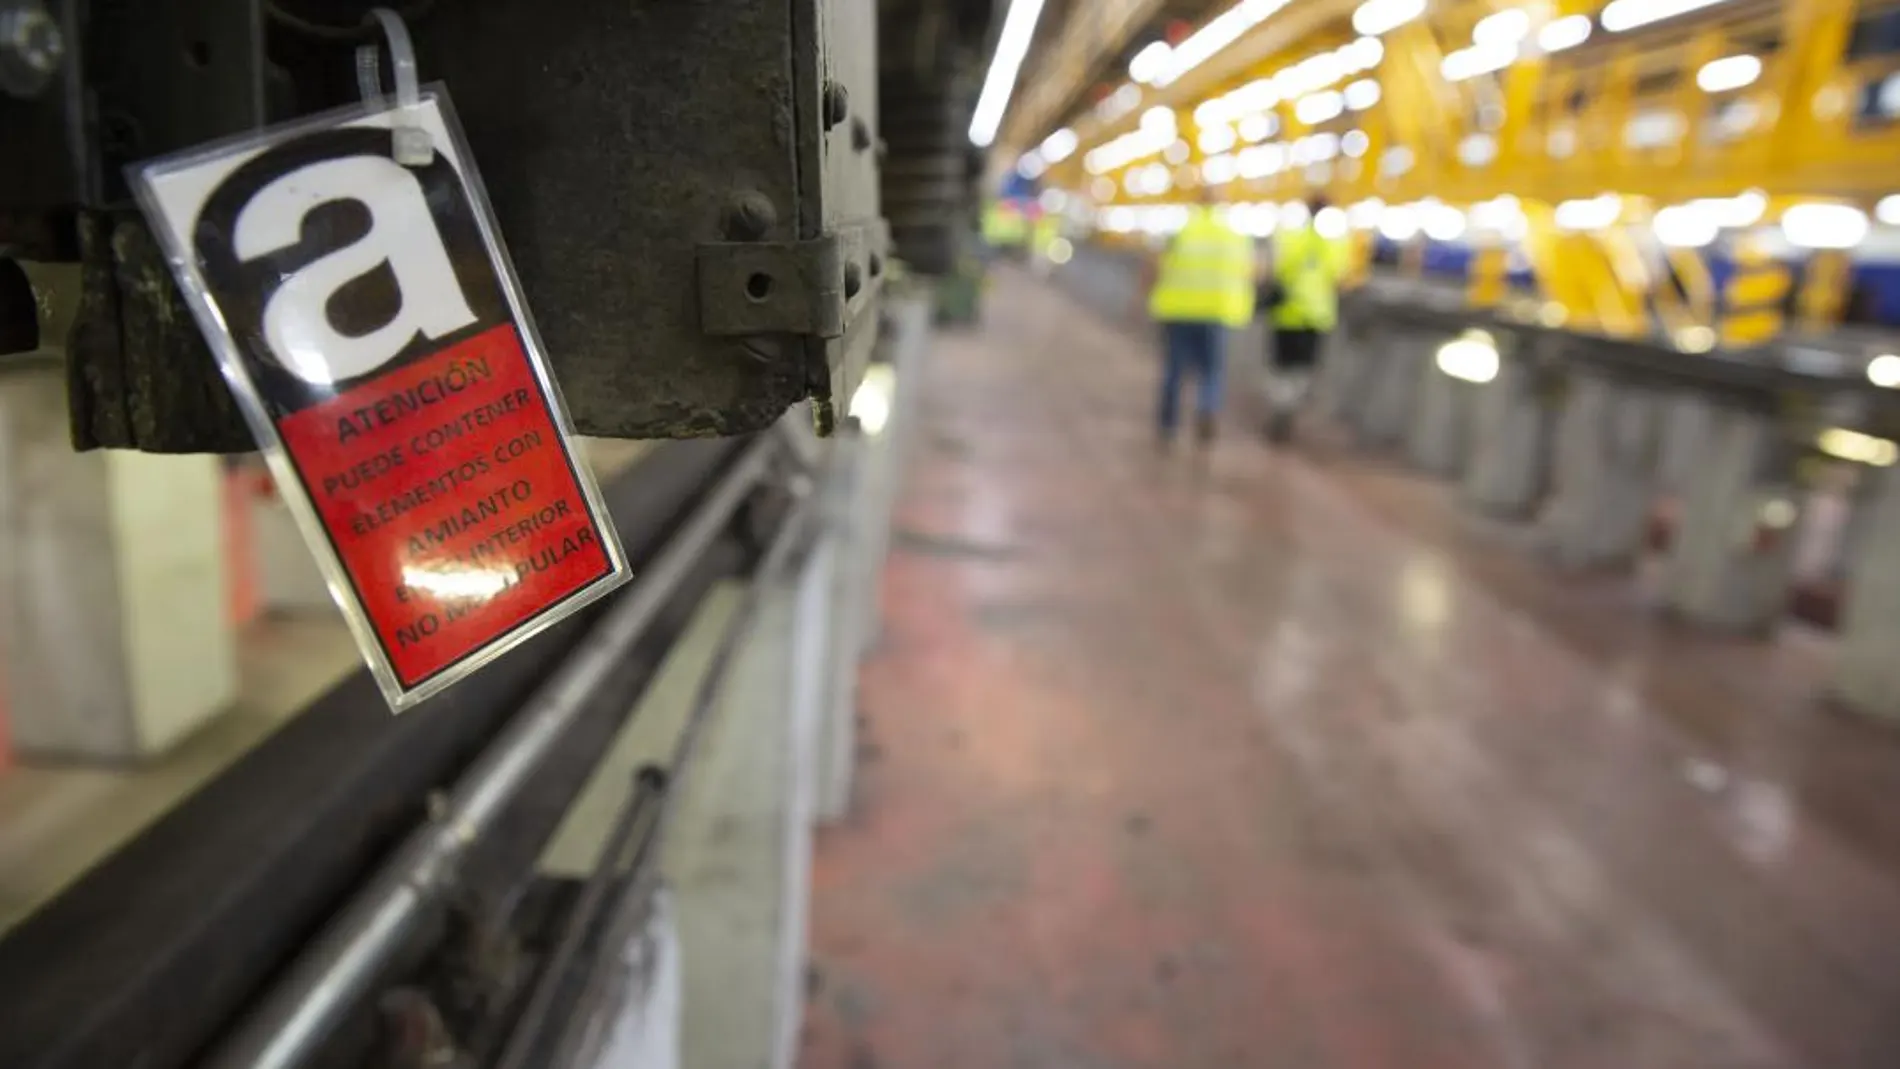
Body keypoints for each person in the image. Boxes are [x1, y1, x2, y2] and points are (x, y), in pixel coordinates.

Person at [1145, 189, 1256, 449]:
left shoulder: (1182, 230)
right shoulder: (1235, 235)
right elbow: (1252, 271)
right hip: (1218, 311)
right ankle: (1207, 408)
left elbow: (1156, 265)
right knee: (1212, 371)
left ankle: (1168, 423)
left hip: (1178, 309)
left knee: (1174, 370)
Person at [1261, 195, 1348, 442]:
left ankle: (1281, 404)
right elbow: (1340, 278)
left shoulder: (1291, 238)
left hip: (1287, 314)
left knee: (1280, 366)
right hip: (1315, 317)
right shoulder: (1335, 243)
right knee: (1303, 367)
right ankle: (1291, 404)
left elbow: (1276, 270)